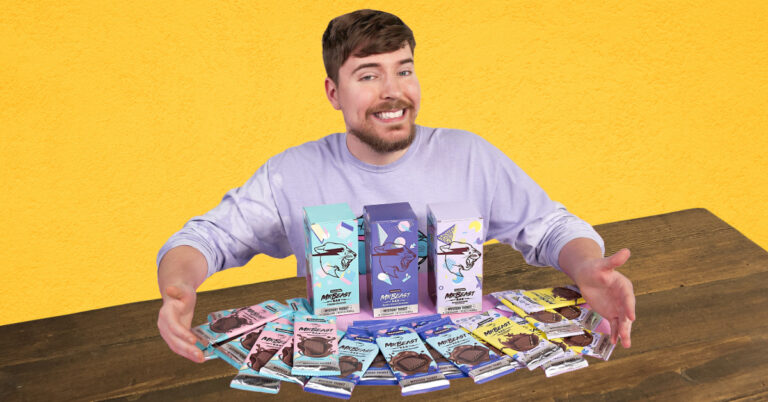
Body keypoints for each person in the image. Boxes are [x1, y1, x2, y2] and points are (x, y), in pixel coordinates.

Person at [156, 9, 635, 363]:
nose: (393, 91)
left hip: (463, 368)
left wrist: (586, 265)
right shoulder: (292, 172)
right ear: (333, 93)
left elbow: (551, 227)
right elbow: (205, 239)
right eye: (368, 75)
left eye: (404, 70)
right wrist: (178, 287)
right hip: (336, 372)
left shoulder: (469, 155)